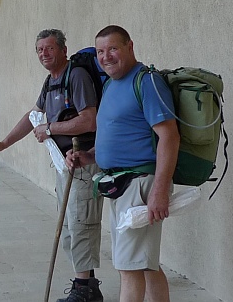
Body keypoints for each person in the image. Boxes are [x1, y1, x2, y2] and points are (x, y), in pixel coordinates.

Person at [0, 29, 105, 302]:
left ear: (63, 50)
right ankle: (87, 285)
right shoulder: (51, 81)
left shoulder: (77, 76)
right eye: (39, 50)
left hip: (83, 162)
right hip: (64, 164)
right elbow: (33, 116)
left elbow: (90, 120)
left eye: (49, 48)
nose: (44, 54)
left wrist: (50, 128)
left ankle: (83, 291)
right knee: (70, 226)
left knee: (81, 223)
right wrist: (4, 143)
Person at [67, 25, 180, 302]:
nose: (106, 57)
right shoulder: (110, 84)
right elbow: (118, 134)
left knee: (129, 269)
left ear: (130, 46)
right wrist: (90, 156)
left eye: (113, 49)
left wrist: (159, 191)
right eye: (101, 52)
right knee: (146, 265)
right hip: (119, 187)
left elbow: (169, 137)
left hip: (140, 186)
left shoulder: (146, 82)